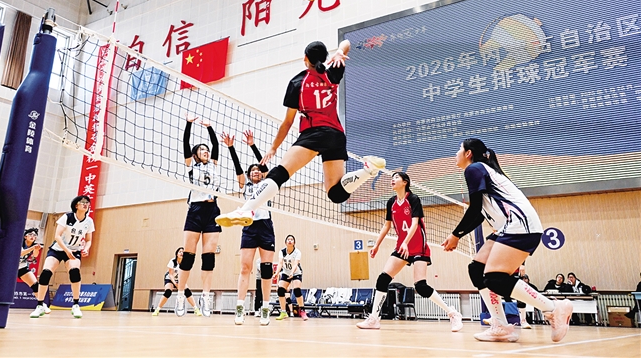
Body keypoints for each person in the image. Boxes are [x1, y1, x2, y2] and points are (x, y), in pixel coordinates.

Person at [216, 40, 386, 227]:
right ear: (325, 58)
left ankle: (246, 209)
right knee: (336, 194)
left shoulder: (297, 83)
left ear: (305, 58)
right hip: (336, 135)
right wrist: (339, 51)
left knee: (280, 173)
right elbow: (346, 42)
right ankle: (367, 170)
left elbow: (288, 123)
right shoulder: (333, 73)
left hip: (314, 133)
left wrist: (273, 148)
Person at [441, 138, 572, 343]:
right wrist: (458, 234)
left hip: (520, 225)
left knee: (495, 278)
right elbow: (480, 214)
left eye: (459, 149)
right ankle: (501, 325)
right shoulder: (482, 170)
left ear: (468, 153)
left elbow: (474, 208)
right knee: (477, 269)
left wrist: (456, 234)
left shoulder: (474, 168)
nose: (455, 153)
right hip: (508, 226)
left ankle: (554, 308)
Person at [356, 172, 463, 331]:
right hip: (402, 247)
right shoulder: (391, 202)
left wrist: (406, 242)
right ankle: (374, 319)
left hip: (418, 246)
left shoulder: (413, 199)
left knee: (421, 286)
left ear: (405, 182)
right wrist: (377, 245)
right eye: (392, 177)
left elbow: (415, 224)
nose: (392, 179)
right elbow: (387, 225)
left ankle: (452, 313)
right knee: (383, 279)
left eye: (396, 177)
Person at [175, 115, 221, 317]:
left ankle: (206, 296)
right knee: (188, 255)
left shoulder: (214, 164)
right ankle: (180, 295)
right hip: (195, 210)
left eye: (207, 150)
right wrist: (189, 124)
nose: (206, 151)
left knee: (208, 257)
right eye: (202, 149)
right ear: (195, 154)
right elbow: (185, 143)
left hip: (212, 210)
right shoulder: (190, 164)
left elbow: (216, 145)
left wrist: (210, 127)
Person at [227, 132, 275, 326]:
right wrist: (231, 147)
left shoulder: (267, 184)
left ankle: (265, 308)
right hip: (249, 227)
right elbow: (237, 167)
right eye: (252, 170)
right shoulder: (244, 185)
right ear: (248, 175)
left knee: (266, 269)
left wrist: (253, 145)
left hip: (266, 226)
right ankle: (240, 308)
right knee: (245, 267)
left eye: (258, 170)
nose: (256, 172)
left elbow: (264, 166)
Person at [30, 196, 94, 319]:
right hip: (58, 249)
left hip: (74, 250)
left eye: (87, 202)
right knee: (45, 273)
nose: (85, 204)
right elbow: (57, 236)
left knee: (75, 272)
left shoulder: (89, 221)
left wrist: (86, 249)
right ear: (76, 205)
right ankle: (39, 305)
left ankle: (76, 305)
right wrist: (66, 250)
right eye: (82, 202)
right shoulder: (67, 217)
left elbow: (88, 240)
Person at [153, 247, 201, 316]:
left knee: (187, 291)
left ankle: (196, 309)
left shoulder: (185, 263)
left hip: (180, 279)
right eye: (180, 251)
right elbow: (171, 274)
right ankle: (157, 309)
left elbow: (185, 275)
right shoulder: (172, 261)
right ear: (176, 254)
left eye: (183, 252)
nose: (181, 253)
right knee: (168, 292)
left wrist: (181, 284)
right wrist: (175, 284)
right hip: (170, 279)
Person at [275, 235, 309, 321]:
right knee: (280, 290)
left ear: (294, 242)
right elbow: (280, 263)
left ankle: (302, 311)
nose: (290, 241)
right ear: (285, 242)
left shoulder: (297, 252)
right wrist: (276, 273)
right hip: (286, 272)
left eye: (292, 239)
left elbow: (295, 264)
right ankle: (283, 312)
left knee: (297, 289)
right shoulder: (282, 252)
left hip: (296, 272)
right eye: (288, 239)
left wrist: (292, 272)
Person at [17, 228, 47, 312]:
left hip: (22, 267)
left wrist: (36, 249)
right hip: (10, 267)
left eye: (34, 235)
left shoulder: (34, 245)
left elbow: (35, 256)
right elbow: (21, 253)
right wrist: (33, 248)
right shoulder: (19, 242)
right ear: (25, 236)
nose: (32, 236)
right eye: (30, 234)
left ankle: (42, 305)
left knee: (35, 285)